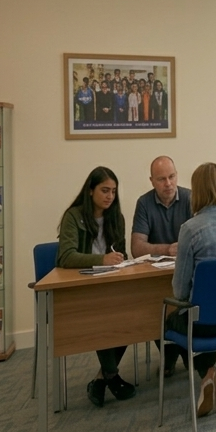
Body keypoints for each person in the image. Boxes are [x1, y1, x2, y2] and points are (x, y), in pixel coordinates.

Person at [167, 162, 216, 417]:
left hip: (203, 324)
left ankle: (209, 375)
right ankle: (210, 374)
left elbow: (179, 291)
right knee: (204, 312)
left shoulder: (190, 229)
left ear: (196, 192)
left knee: (175, 318)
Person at [56, 166, 136, 407]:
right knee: (104, 316)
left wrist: (121, 261)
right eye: (104, 190)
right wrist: (100, 260)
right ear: (90, 191)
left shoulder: (116, 218)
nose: (109, 196)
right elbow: (66, 257)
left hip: (111, 283)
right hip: (83, 286)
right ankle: (111, 376)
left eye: (113, 191)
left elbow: (121, 252)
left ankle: (102, 379)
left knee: (130, 317)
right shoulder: (74, 216)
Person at [133, 155, 196, 376]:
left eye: (171, 177)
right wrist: (167, 249)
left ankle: (188, 355)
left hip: (187, 275)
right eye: (161, 179)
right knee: (153, 306)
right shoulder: (144, 203)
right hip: (156, 277)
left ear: (177, 175)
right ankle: (170, 354)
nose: (168, 184)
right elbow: (137, 247)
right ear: (152, 181)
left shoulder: (190, 198)